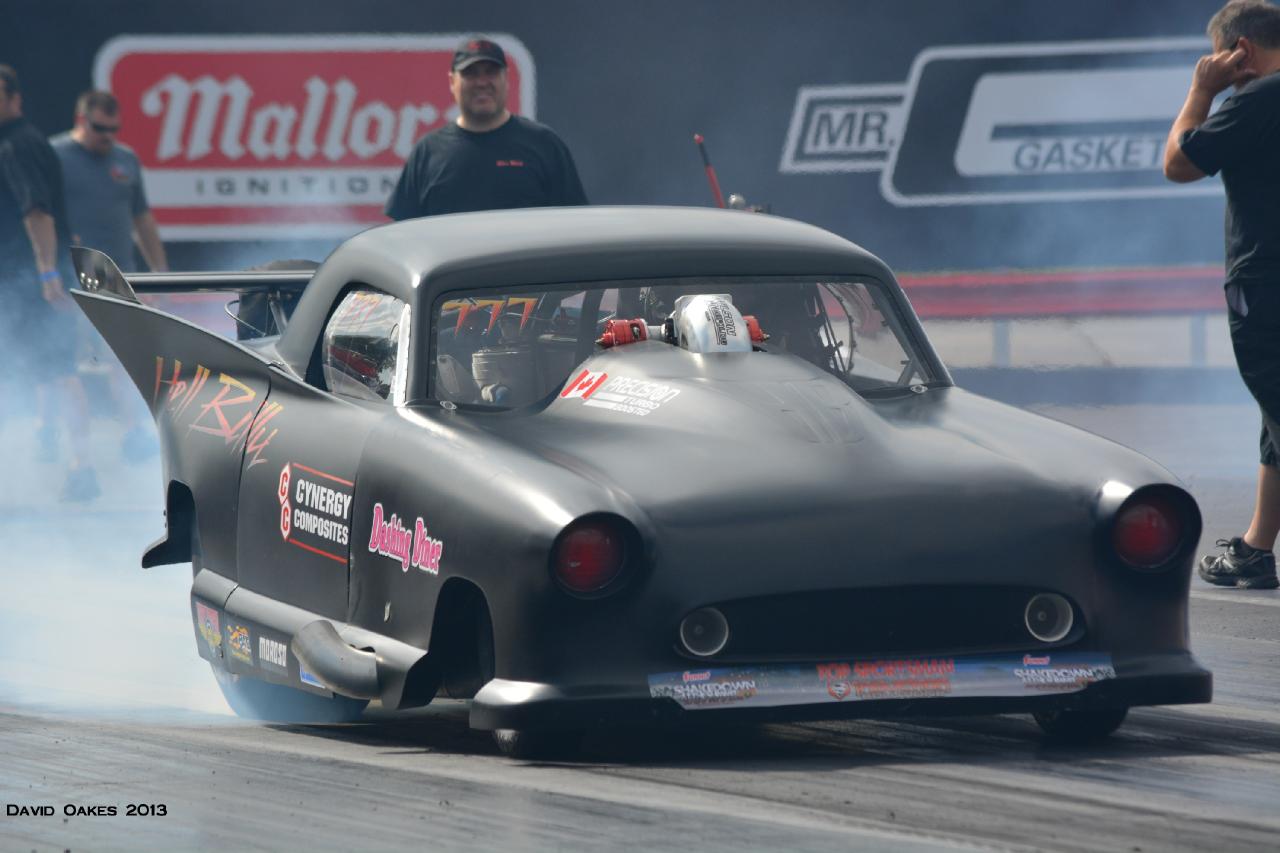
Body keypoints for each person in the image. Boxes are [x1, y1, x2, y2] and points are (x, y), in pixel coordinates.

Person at [1164, 0, 1280, 589]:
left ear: (1241, 52)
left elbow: (1178, 163)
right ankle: (1256, 550)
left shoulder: (1259, 97)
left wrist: (1201, 90)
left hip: (1269, 284)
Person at [0, 64, 99, 501]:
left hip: (31, 285)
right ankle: (71, 460)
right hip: (24, 283)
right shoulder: (25, 142)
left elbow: (38, 212)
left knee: (59, 372)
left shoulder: (17, 145)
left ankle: (83, 467)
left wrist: (46, 273)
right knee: (46, 372)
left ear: (14, 99)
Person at [52, 89, 167, 462]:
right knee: (60, 363)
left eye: (113, 129)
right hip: (69, 274)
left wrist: (159, 272)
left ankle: (134, 432)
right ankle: (53, 436)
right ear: (81, 120)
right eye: (100, 128)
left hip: (117, 275)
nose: (107, 136)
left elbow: (142, 219)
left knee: (124, 357)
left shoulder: (126, 159)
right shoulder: (55, 156)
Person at [385, 37, 587, 220]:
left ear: (506, 78)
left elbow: (574, 225)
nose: (482, 82)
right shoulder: (428, 152)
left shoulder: (544, 144)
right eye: (470, 73)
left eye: (491, 72)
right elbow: (404, 234)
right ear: (452, 81)